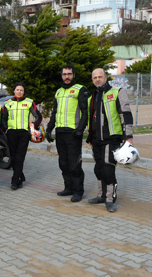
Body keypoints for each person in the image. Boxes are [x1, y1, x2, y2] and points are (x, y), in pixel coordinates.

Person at [86, 68, 133, 212]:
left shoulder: (117, 92)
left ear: (106, 77)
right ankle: (101, 195)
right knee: (98, 168)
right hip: (96, 140)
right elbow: (91, 119)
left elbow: (126, 114)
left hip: (111, 138)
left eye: (100, 77)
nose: (98, 79)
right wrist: (90, 137)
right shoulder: (92, 97)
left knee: (108, 169)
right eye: (95, 77)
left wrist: (128, 137)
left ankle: (110, 199)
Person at [46, 65, 90, 202]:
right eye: (64, 74)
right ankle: (68, 188)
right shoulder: (58, 92)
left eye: (69, 74)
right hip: (60, 132)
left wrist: (80, 130)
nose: (67, 76)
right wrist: (49, 129)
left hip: (73, 133)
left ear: (74, 75)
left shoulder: (80, 89)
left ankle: (78, 191)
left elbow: (85, 112)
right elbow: (54, 112)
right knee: (63, 163)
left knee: (74, 164)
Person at [1, 83, 43, 190]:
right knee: (13, 157)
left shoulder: (29, 102)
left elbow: (38, 117)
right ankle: (20, 175)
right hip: (11, 133)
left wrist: (33, 127)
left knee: (20, 157)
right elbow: (3, 118)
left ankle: (15, 181)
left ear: (24, 92)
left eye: (21, 90)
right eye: (17, 89)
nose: (19, 92)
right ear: (14, 91)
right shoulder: (8, 103)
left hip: (24, 134)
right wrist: (6, 129)